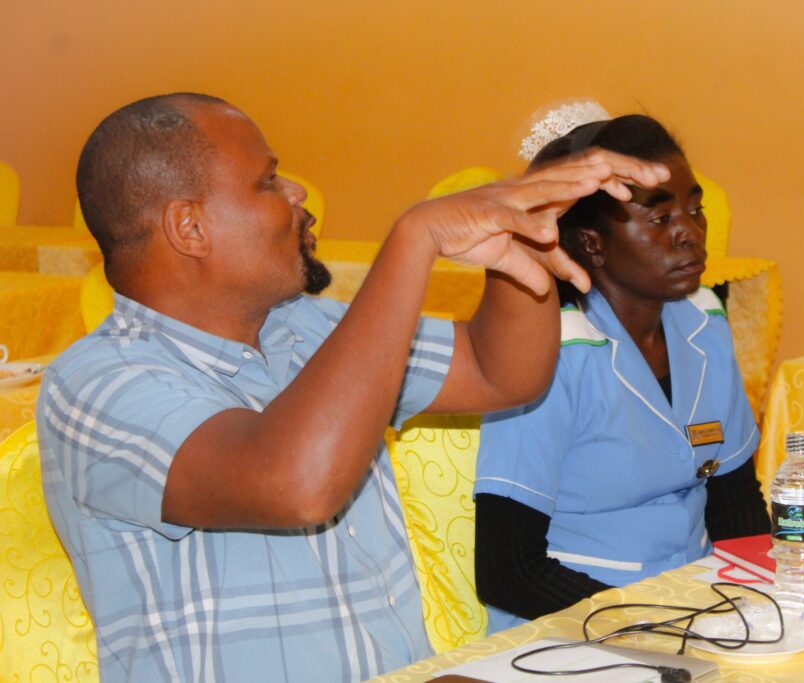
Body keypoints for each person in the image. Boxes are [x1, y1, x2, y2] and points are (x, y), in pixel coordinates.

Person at [37, 93, 670, 682]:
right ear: (190, 228)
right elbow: (295, 485)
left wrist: (523, 246)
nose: (296, 193)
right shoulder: (98, 383)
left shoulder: (306, 327)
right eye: (268, 181)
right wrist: (414, 241)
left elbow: (498, 372)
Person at [473, 112, 771, 631]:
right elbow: (509, 571)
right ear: (593, 244)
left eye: (695, 210)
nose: (690, 234)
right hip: (578, 627)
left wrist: (765, 602)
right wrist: (650, 624)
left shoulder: (703, 322)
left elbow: (734, 500)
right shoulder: (546, 356)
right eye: (660, 218)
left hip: (697, 606)